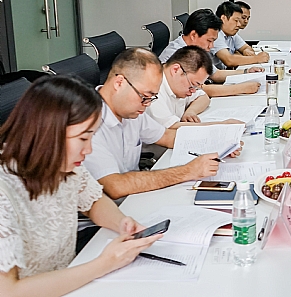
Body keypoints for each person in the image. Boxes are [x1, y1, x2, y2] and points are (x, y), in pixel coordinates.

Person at [0, 76, 161, 295]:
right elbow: (9, 291)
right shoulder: (5, 191)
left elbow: (93, 200)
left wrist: (121, 222)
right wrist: (105, 263)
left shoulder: (62, 164)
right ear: (49, 132)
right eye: (83, 139)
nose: (89, 150)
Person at [85, 48, 237, 200]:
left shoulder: (130, 111)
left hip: (136, 198)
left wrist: (219, 144)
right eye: (145, 97)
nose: (147, 104)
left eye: (152, 98)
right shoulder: (86, 123)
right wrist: (188, 171)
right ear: (119, 83)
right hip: (114, 206)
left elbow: (167, 136)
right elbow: (115, 186)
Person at [159, 9, 262, 97]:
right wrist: (241, 88)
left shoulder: (196, 51)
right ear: (193, 35)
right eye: (209, 41)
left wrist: (247, 71)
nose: (211, 46)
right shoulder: (175, 54)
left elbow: (215, 74)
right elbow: (199, 89)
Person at [148, 46, 213, 128]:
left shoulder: (178, 83)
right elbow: (172, 127)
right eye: (192, 85)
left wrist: (190, 112)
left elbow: (203, 97)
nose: (193, 91)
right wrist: (222, 124)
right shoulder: (151, 89)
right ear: (176, 70)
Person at [212, 1, 269, 69]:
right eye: (236, 21)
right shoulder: (215, 35)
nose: (239, 25)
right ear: (223, 18)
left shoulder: (232, 34)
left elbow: (246, 47)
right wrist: (257, 58)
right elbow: (229, 60)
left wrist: (245, 51)